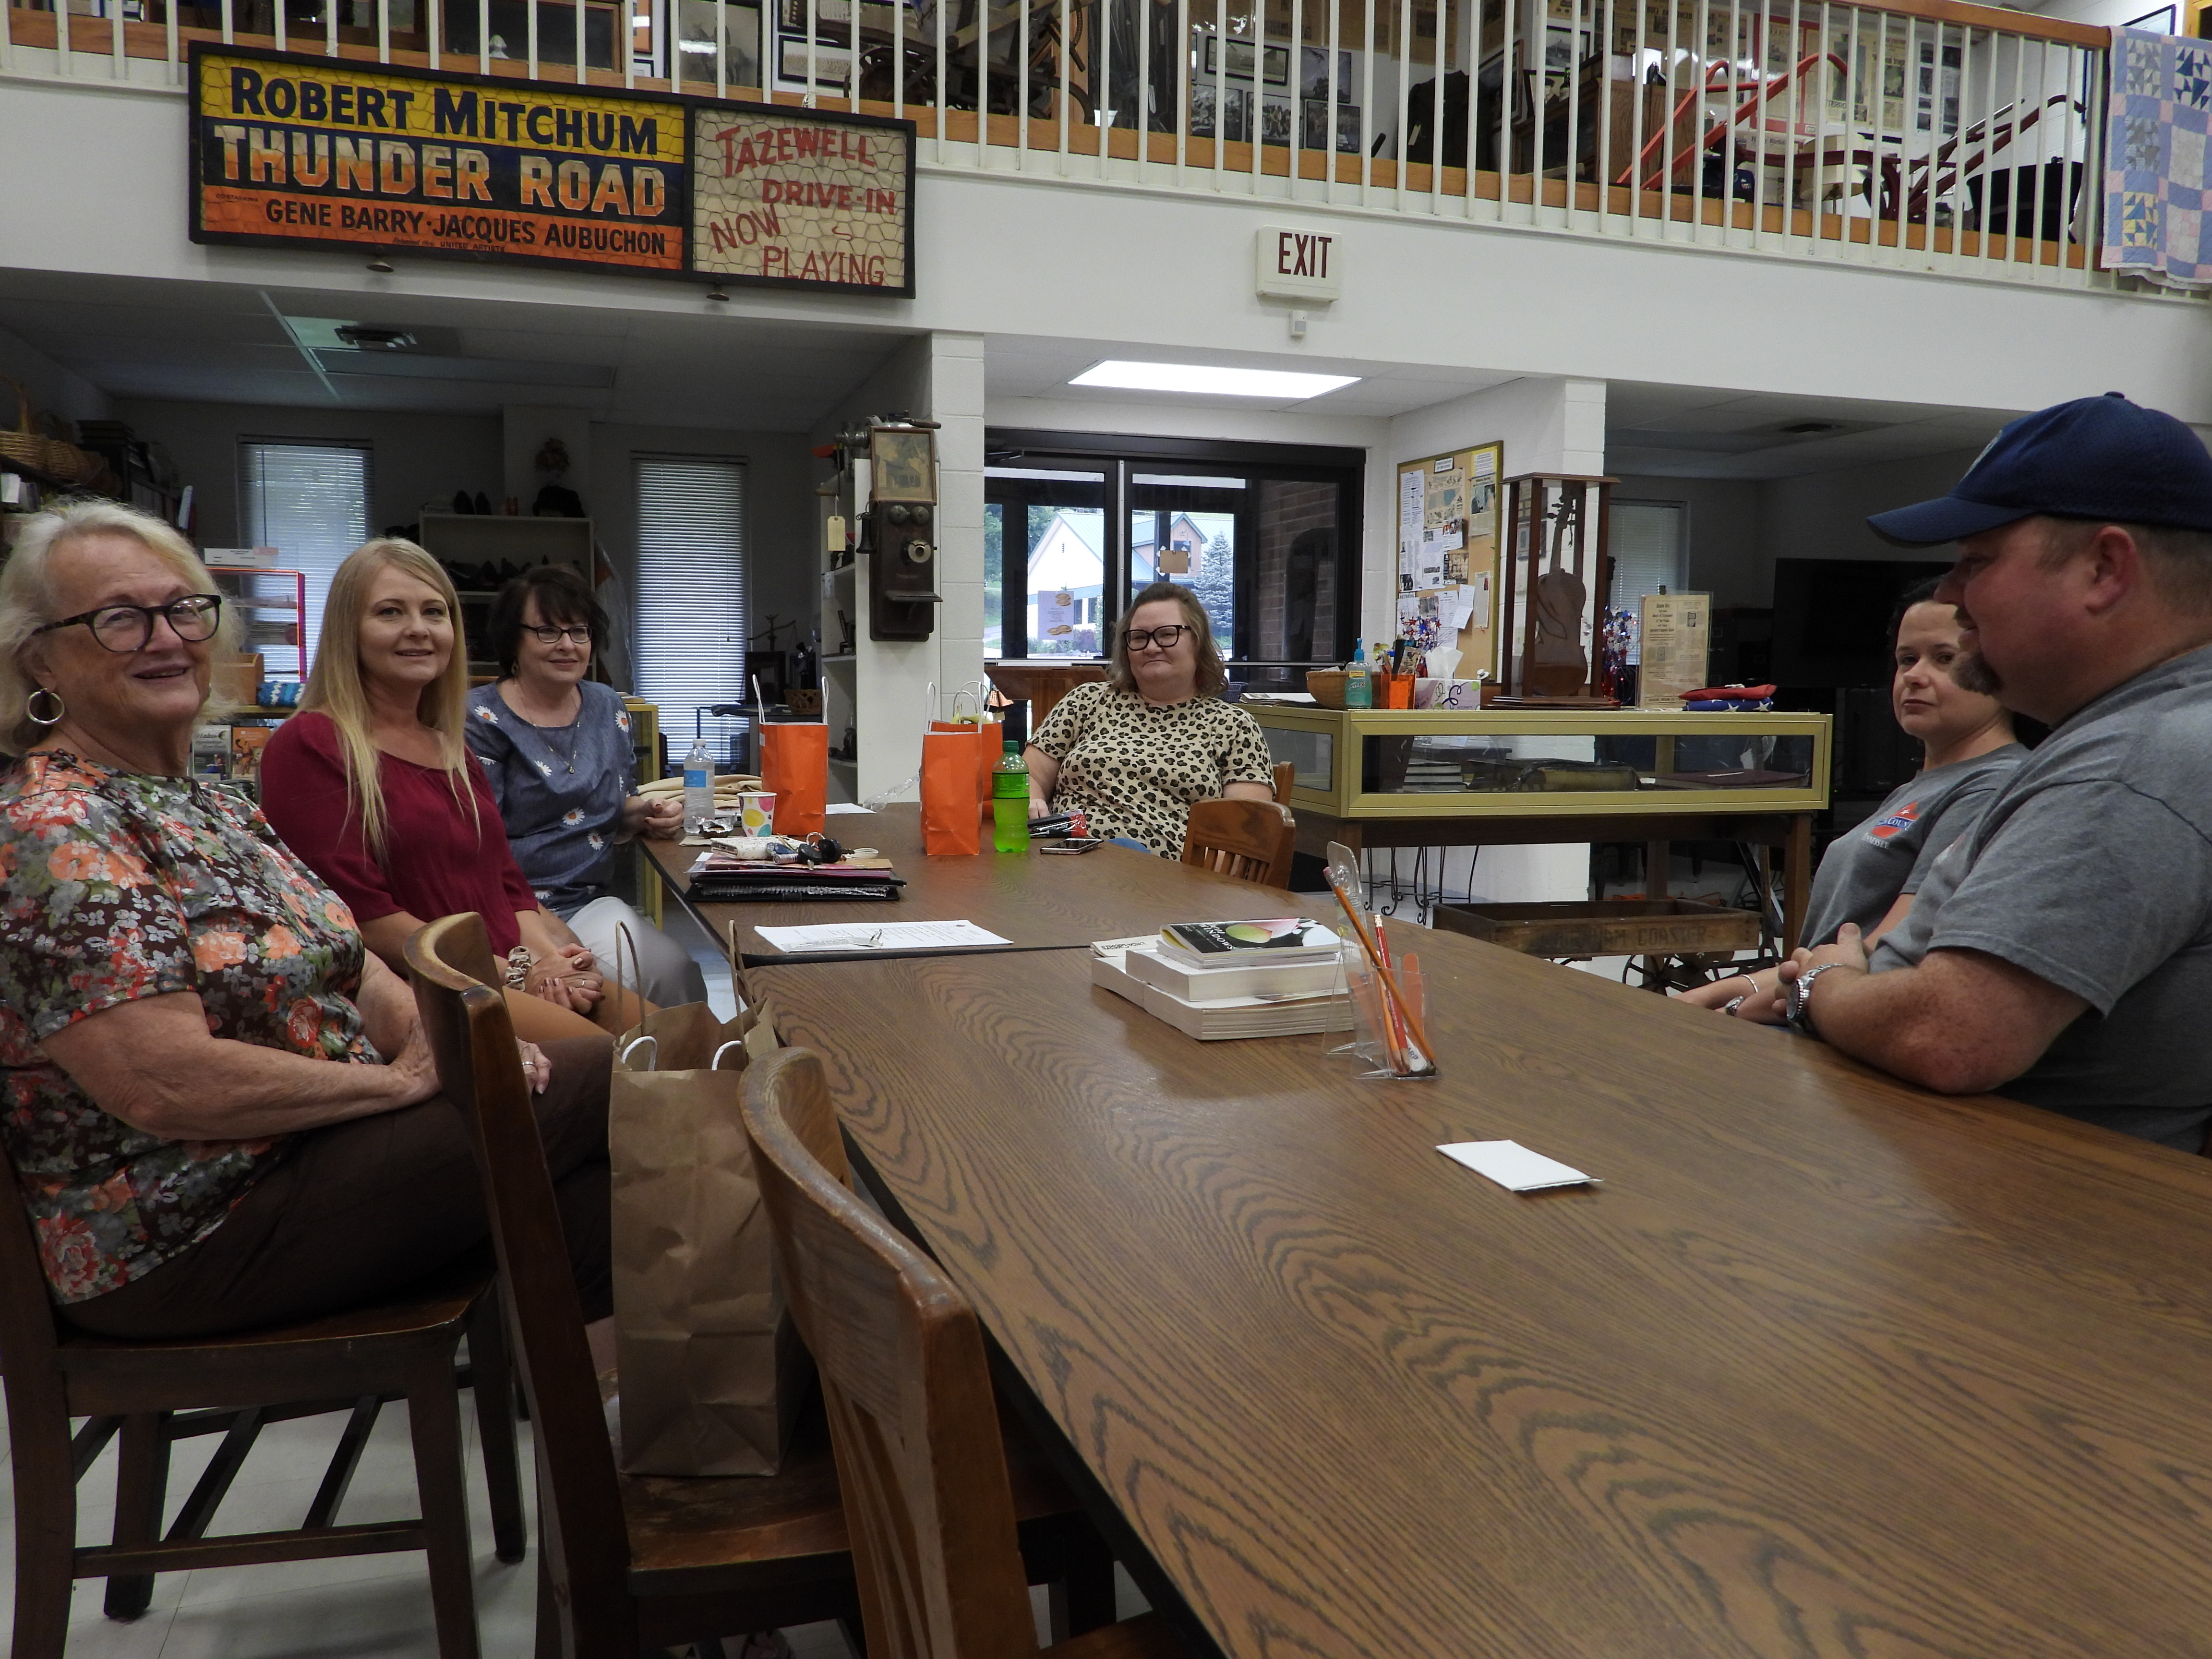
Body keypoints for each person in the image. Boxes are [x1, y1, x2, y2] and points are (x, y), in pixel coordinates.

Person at [0, 498, 610, 1338]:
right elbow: (164, 1084)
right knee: (626, 1088)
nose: (168, 638)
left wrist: (447, 1043)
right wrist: (402, 1081)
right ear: (39, 661)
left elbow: (348, 962)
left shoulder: (207, 802)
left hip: (311, 1147)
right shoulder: (56, 824)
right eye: (119, 619)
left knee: (608, 1195)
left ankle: (631, 1424)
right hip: (185, 1228)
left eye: (185, 609)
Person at [1771, 393, 2212, 1151]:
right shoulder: (2126, 734)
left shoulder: (2133, 766)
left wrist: (1821, 987)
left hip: (2011, 1215)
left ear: (2105, 568)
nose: (1949, 596)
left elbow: (1950, 1037)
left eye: (1977, 562)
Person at [260, 540, 630, 1046]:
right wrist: (518, 975)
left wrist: (545, 958)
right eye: (391, 612)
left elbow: (506, 882)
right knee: (616, 1064)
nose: (418, 628)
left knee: (685, 1040)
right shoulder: (309, 745)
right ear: (349, 629)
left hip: (507, 970)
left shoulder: (448, 744)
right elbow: (365, 919)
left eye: (434, 612)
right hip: (436, 990)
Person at [1682, 578, 2025, 1020]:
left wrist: (1746, 1009)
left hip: (1851, 1024)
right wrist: (1723, 991)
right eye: (1906, 660)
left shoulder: (1989, 787)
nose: (1915, 676)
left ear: (2000, 667)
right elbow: (1818, 957)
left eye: (1944, 659)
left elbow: (1889, 951)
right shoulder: (1916, 789)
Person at [465, 565, 705, 1009]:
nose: (567, 646)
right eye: (548, 631)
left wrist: (646, 813)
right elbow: (477, 844)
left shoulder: (607, 706)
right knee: (605, 991)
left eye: (579, 631)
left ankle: (681, 1075)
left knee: (673, 973)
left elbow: (610, 810)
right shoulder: (479, 717)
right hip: (508, 908)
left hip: (588, 900)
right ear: (512, 639)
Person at [1024, 580, 1278, 858]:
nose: (1152, 647)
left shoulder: (1233, 725)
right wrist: (1032, 801)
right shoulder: (1086, 701)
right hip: (1065, 859)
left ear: (1198, 641)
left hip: (1165, 882)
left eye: (1167, 634)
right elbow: (1029, 776)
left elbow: (1244, 833)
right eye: (1139, 637)